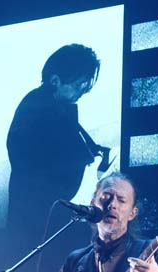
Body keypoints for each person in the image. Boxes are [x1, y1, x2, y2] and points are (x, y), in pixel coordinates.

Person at [6, 44, 106, 235]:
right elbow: (38, 163)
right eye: (78, 85)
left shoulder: (49, 104)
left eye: (85, 85)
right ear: (55, 80)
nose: (83, 91)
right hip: (38, 220)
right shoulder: (41, 109)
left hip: (47, 215)